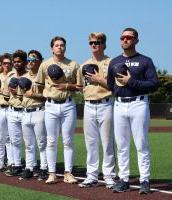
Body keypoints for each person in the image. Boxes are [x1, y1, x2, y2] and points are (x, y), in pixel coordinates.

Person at [107, 28, 159, 194]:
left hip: (138, 104)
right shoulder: (114, 61)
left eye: (129, 37)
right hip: (119, 105)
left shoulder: (145, 61)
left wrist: (132, 82)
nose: (125, 40)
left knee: (141, 143)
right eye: (122, 37)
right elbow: (110, 84)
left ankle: (144, 180)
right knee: (121, 145)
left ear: (136, 40)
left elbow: (153, 84)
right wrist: (119, 89)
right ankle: (123, 179)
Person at [35, 36, 79, 184]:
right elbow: (39, 85)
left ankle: (68, 173)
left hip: (68, 104)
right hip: (51, 105)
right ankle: (52, 173)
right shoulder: (44, 64)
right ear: (52, 48)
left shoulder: (73, 64)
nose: (59, 47)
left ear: (65, 47)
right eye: (56, 45)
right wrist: (50, 92)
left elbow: (80, 86)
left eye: (62, 45)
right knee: (51, 141)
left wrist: (66, 86)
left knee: (68, 140)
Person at [77, 32, 116, 188]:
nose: (94, 45)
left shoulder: (112, 62)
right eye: (92, 42)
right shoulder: (83, 65)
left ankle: (109, 176)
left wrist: (99, 80)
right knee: (91, 142)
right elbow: (81, 87)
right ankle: (92, 175)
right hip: (89, 105)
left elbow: (115, 85)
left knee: (107, 142)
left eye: (98, 42)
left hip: (106, 103)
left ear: (104, 44)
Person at [19, 50, 48, 181]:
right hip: (25, 112)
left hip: (39, 111)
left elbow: (48, 95)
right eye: (29, 59)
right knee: (29, 144)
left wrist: (34, 95)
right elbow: (21, 96)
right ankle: (30, 167)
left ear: (40, 61)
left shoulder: (44, 77)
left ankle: (43, 168)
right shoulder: (23, 77)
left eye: (33, 59)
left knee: (42, 143)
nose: (30, 62)